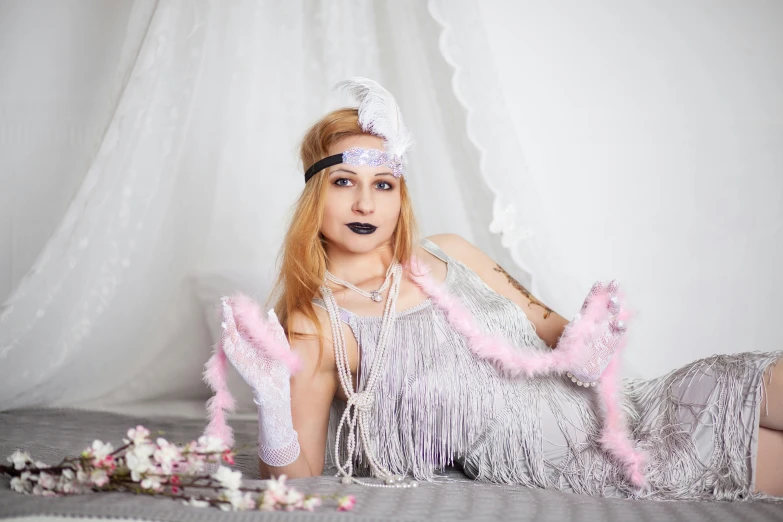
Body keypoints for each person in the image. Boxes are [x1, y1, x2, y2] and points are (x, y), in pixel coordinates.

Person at [211, 78, 783, 500]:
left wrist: (585, 344)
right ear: (317, 195)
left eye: (382, 184)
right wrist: (272, 406)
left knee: (741, 378)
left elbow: (549, 323)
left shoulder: (449, 251)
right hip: (605, 465)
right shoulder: (318, 323)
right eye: (344, 182)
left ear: (398, 194)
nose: (366, 203)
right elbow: (300, 479)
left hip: (649, 403)